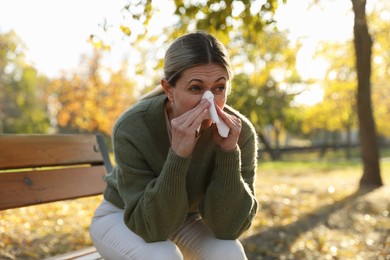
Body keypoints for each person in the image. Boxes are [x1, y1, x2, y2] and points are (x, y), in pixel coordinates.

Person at [90, 31, 258, 260]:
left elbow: (228, 229)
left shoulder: (240, 133)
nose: (209, 100)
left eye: (219, 88)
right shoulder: (132, 127)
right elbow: (152, 228)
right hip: (123, 215)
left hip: (186, 218)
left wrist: (229, 153)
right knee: (162, 256)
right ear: (169, 90)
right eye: (196, 88)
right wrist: (178, 155)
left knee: (230, 253)